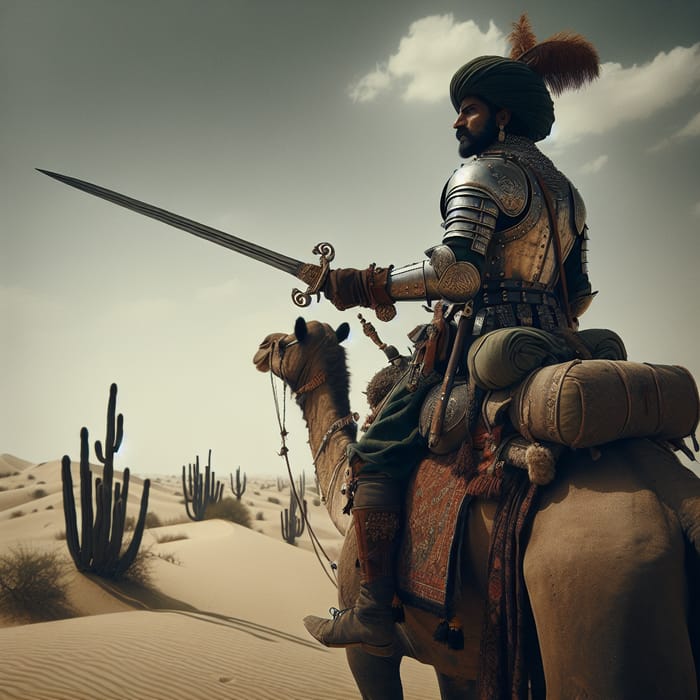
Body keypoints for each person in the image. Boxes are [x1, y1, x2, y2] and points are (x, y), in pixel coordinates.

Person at [301, 16, 607, 656]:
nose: (456, 124)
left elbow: (458, 271)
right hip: (556, 340)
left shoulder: (486, 175)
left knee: (379, 444)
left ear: (500, 117)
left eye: (466, 111)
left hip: (487, 341)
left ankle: (372, 610)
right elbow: (576, 292)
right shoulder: (568, 192)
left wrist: (370, 284)